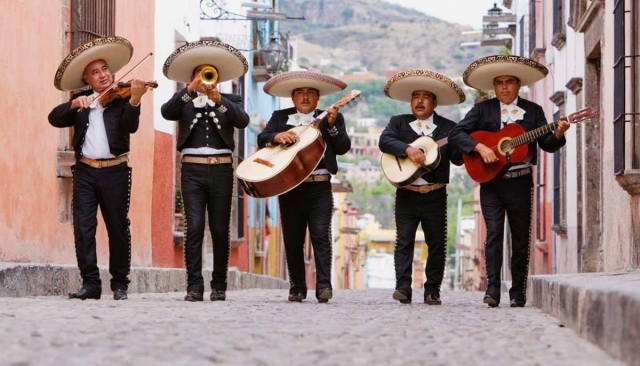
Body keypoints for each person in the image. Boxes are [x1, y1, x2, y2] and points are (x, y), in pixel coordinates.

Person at [448, 55, 570, 308]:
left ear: (518, 85)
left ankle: (518, 293)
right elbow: (456, 134)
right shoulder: (483, 109)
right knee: (493, 233)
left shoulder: (533, 111)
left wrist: (558, 132)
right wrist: (480, 148)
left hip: (520, 182)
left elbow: (546, 144)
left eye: (510, 82)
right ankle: (492, 290)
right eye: (499, 82)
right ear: (494, 87)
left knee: (521, 237)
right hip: (490, 182)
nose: (504, 87)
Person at [48, 36, 151, 300]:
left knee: (117, 227)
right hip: (84, 171)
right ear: (87, 79)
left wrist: (136, 100)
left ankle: (119, 284)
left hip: (115, 171)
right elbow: (54, 118)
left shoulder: (121, 100)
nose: (103, 75)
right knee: (83, 228)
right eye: (96, 72)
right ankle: (91, 284)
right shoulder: (81, 102)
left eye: (105, 69)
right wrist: (73, 103)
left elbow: (130, 126)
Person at [161, 40, 249, 302]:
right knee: (194, 227)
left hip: (221, 170)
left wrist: (218, 99)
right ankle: (194, 286)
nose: (205, 78)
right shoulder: (184, 101)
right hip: (192, 171)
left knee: (221, 229)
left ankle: (219, 285)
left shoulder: (231, 99)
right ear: (192, 77)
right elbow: (166, 112)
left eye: (208, 73)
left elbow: (242, 121)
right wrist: (189, 90)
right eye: (199, 74)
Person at [257, 70, 351, 303]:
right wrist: (277, 136)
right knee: (292, 238)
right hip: (288, 187)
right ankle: (297, 287)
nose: (306, 97)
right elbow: (263, 138)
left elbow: (342, 147)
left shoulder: (332, 117)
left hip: (319, 186)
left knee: (321, 236)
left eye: (311, 93)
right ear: (293, 97)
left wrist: (330, 126)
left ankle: (324, 286)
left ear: (318, 97)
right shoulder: (280, 117)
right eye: (300, 92)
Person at [379, 69, 465, 305]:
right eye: (415, 96)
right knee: (404, 240)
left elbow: (457, 159)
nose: (419, 101)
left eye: (425, 97)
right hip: (406, 193)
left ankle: (432, 290)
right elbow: (384, 141)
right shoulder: (398, 122)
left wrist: (466, 144)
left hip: (435, 194)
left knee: (436, 244)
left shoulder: (449, 128)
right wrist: (407, 149)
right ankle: (403, 288)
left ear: (434, 102)